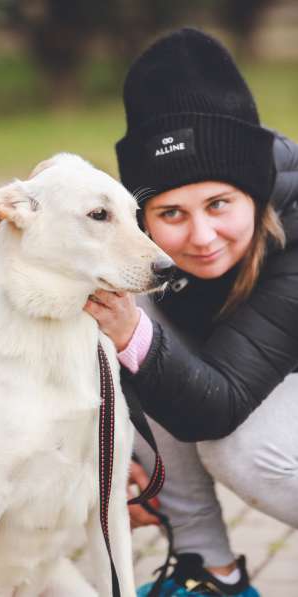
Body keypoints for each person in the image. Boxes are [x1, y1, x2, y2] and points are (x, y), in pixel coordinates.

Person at [84, 28, 298, 597]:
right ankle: (210, 574)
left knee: (244, 446)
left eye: (219, 204)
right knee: (139, 315)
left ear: (255, 190)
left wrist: (130, 332)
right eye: (172, 212)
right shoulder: (148, 256)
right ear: (143, 214)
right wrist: (118, 455)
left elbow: (218, 407)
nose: (201, 237)